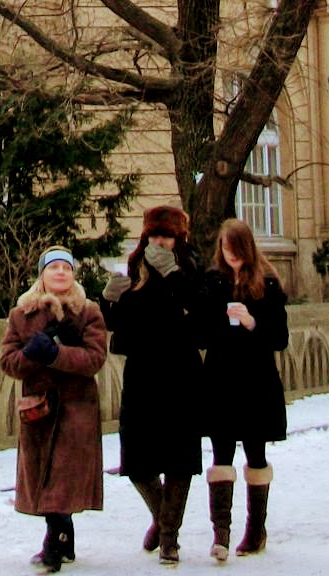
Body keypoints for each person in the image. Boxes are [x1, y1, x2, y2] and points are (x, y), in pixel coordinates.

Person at [0, 249, 108, 573]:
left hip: (76, 410)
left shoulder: (88, 313)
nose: (60, 273)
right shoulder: (21, 315)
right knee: (43, 479)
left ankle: (52, 547)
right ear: (42, 274)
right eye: (53, 267)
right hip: (38, 411)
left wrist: (58, 353)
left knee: (62, 479)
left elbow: (95, 360)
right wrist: (33, 352)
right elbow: (8, 362)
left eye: (66, 268)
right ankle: (64, 534)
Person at [101, 206, 201, 565]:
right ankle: (163, 518)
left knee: (178, 458)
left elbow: (199, 309)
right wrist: (108, 299)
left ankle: (169, 539)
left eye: (167, 236)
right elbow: (115, 323)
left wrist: (171, 272)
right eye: (155, 236)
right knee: (138, 460)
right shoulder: (134, 266)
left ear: (178, 238)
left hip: (179, 372)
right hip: (142, 373)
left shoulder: (188, 266)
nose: (160, 242)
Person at [198, 219, 288, 561]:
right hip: (221, 379)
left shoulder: (267, 283)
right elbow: (201, 336)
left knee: (256, 455)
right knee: (220, 456)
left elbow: (280, 338)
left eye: (236, 248)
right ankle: (221, 533)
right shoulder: (213, 282)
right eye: (225, 248)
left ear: (246, 248)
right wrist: (217, 320)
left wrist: (253, 323)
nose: (230, 254)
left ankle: (255, 530)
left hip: (256, 381)